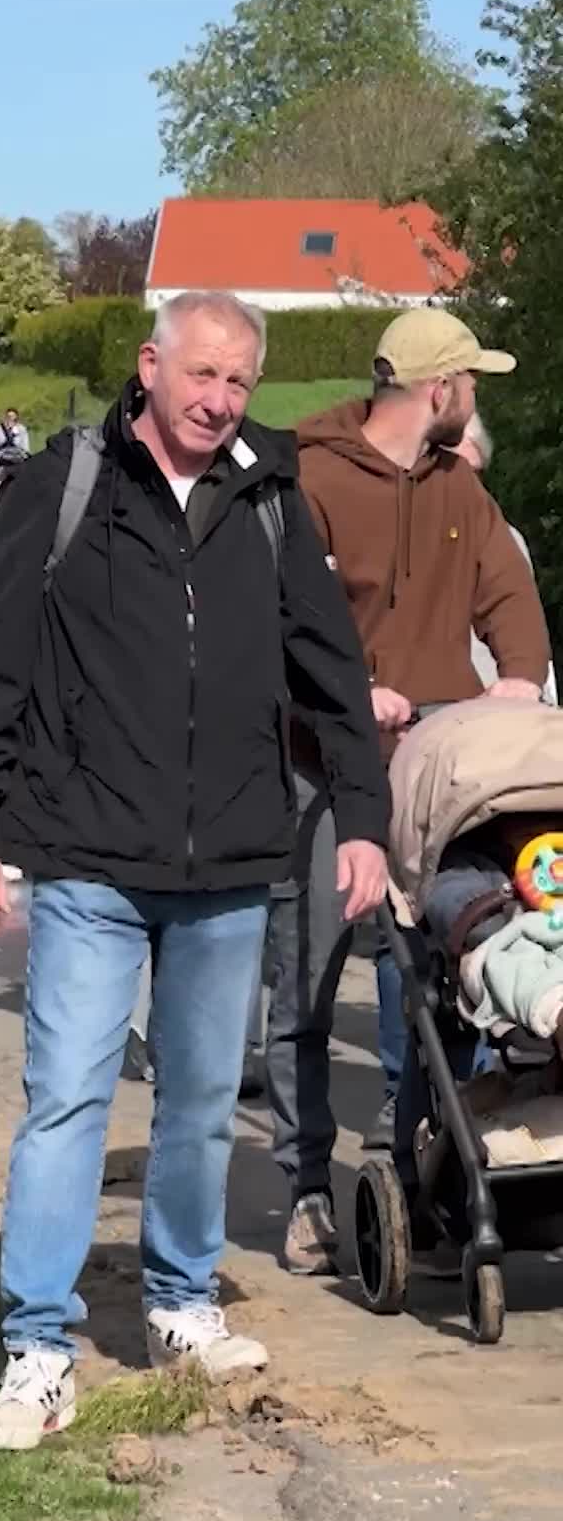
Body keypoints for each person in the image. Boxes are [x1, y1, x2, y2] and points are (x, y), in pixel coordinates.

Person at [0, 291, 390, 1450]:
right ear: (151, 367)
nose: (219, 399)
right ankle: (39, 1344)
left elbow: (331, 671)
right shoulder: (65, 487)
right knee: (70, 1099)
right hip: (86, 855)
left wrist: (370, 821)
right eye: (202, 376)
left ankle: (181, 1305)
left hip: (233, 860)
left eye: (239, 381)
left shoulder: (273, 501)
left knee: (194, 1107)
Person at [267, 308, 551, 1270]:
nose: (475, 396)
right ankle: (307, 1186)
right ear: (439, 389)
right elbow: (278, 622)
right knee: (306, 984)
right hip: (319, 765)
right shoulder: (312, 481)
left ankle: (429, 1172)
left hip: (437, 769)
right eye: (470, 381)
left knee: (445, 985)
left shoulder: (459, 490)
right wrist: (353, 693)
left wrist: (517, 682)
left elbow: (509, 596)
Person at [457, 413, 558, 705]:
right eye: (453, 471)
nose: (465, 486)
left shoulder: (505, 539)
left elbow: (525, 622)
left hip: (500, 708)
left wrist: (540, 694)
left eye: (473, 474)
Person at [0, 407, 30, 480]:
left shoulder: (21, 429)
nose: (10, 418)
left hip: (16, 457)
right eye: (9, 416)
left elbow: (25, 446)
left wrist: (23, 454)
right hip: (2, 457)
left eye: (13, 416)